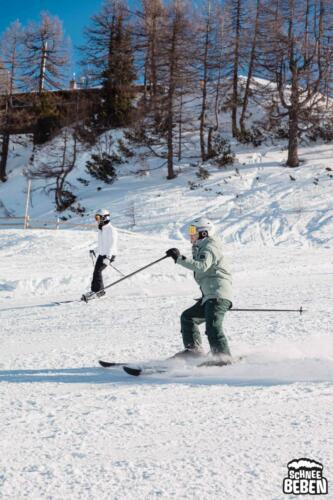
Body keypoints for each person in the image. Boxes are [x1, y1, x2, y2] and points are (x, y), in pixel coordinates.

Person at [166, 217, 232, 363]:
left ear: (204, 233)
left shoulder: (210, 247)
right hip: (210, 295)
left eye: (193, 231)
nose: (190, 234)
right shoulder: (201, 247)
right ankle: (193, 351)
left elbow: (202, 266)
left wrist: (179, 258)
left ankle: (223, 359)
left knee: (213, 326)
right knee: (188, 317)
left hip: (218, 294)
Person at [89, 208, 118, 297]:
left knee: (98, 271)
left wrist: (108, 257)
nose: (97, 220)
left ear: (105, 217)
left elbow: (111, 244)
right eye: (96, 218)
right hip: (102, 254)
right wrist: (95, 250)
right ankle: (95, 291)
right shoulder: (101, 230)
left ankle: (99, 291)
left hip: (109, 254)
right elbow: (102, 244)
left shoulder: (111, 230)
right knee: (96, 272)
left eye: (98, 218)